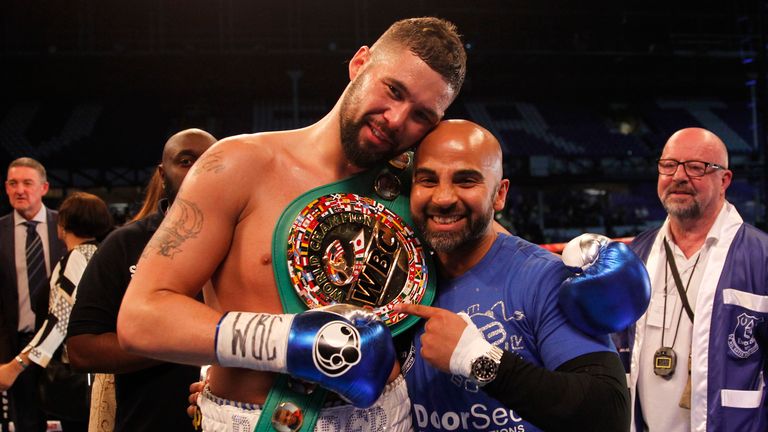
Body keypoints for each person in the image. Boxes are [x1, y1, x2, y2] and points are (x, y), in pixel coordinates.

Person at [117, 17, 466, 432]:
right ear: (360, 63)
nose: (395, 118)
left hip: (385, 417)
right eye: (393, 90)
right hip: (255, 418)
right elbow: (141, 318)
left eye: (422, 115)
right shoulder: (238, 164)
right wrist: (290, 343)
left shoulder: (424, 189)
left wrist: (563, 264)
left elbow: (499, 260)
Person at [394, 120, 631, 431]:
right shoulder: (396, 282)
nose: (443, 198)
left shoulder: (544, 279)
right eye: (427, 180)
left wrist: (477, 357)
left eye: (466, 181)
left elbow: (608, 413)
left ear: (499, 194)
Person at [66, 128, 217, 432]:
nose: (198, 170)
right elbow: (82, 349)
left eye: (211, 162)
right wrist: (184, 343)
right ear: (163, 174)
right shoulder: (124, 245)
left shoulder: (248, 244)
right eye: (186, 161)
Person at [622, 127, 768, 431]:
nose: (678, 176)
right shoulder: (635, 256)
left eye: (696, 167)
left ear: (724, 180)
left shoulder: (761, 257)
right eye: (669, 165)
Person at [0, 191, 112, 430]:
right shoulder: (101, 254)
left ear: (62, 225)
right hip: (96, 368)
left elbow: (60, 319)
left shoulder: (77, 258)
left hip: (79, 371)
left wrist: (17, 364)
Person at [0, 157, 67, 431]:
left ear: (44, 187)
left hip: (62, 344)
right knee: (27, 422)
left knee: (74, 417)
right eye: (13, 183)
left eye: (28, 183)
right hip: (16, 344)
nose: (20, 190)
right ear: (5, 188)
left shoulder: (64, 226)